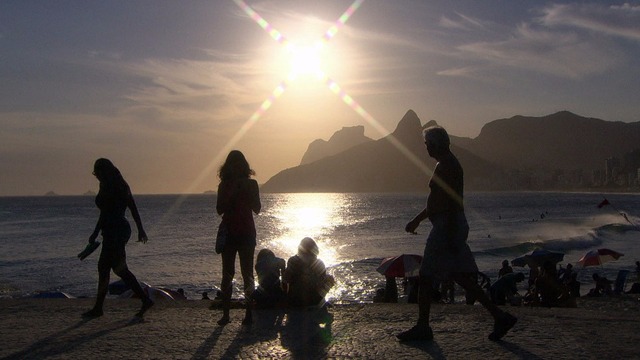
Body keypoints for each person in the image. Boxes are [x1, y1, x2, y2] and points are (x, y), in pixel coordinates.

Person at [397, 126, 517, 342]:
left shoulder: (447, 166)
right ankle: (500, 316)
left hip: (446, 226)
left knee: (425, 277)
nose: (425, 148)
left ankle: (423, 327)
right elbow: (439, 201)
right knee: (461, 276)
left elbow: (450, 202)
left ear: (436, 144)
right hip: (448, 224)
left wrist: (450, 234)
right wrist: (418, 220)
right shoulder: (446, 164)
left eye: (427, 144)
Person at [82, 158, 153, 318]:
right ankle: (142, 300)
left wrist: (140, 229)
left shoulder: (120, 186)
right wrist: (95, 232)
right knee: (113, 269)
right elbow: (104, 213)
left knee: (112, 268)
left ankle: (100, 308)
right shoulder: (104, 185)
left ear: (105, 172)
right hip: (109, 230)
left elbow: (132, 207)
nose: (97, 177)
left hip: (118, 231)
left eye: (98, 173)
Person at [216, 150, 261, 326]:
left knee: (247, 273)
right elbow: (219, 209)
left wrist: (246, 193)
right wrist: (232, 194)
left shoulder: (252, 184)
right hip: (231, 232)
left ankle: (248, 313)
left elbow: (257, 208)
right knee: (228, 274)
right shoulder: (224, 186)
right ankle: (226, 314)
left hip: (246, 232)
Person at [283, 237, 335, 308]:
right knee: (329, 278)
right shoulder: (319, 263)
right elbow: (321, 282)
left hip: (295, 301)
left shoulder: (293, 260)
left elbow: (285, 280)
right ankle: (321, 302)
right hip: (314, 301)